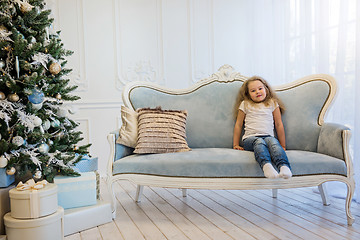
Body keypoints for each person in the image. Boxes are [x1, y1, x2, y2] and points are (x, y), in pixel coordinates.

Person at [233, 76, 292, 179]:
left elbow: (279, 124)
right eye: (253, 90)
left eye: (260, 88)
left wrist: (282, 144)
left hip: (268, 136)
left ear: (266, 89)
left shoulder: (272, 103)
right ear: (248, 94)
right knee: (259, 142)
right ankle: (266, 166)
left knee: (273, 143)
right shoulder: (245, 104)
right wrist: (236, 144)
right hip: (250, 139)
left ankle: (284, 167)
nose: (257, 92)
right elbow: (238, 125)